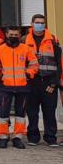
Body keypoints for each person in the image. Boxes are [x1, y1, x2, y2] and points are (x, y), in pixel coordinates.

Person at [0, 26, 38, 149]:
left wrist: (28, 73)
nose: (13, 37)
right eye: (11, 34)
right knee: (3, 113)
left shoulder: (26, 49)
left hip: (23, 86)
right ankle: (3, 137)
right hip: (5, 86)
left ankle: (18, 137)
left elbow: (34, 65)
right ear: (6, 34)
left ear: (19, 35)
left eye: (16, 34)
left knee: (20, 114)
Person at [24, 14, 62, 147]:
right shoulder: (24, 40)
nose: (39, 25)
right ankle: (33, 137)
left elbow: (59, 64)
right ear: (32, 23)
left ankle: (51, 137)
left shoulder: (52, 39)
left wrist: (54, 83)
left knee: (50, 111)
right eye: (37, 22)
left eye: (42, 23)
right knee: (32, 111)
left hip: (48, 81)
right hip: (32, 81)